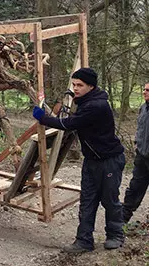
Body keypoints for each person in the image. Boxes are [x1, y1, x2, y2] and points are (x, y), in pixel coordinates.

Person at [32, 67, 126, 253]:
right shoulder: (86, 101)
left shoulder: (96, 106)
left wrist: (44, 118)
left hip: (109, 160)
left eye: (80, 85)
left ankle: (115, 235)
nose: (75, 88)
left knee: (109, 199)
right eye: (74, 84)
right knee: (88, 199)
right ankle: (84, 241)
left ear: (91, 86)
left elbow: (70, 124)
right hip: (92, 160)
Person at [122, 82, 149, 224]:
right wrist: (137, 143)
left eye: (148, 90)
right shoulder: (143, 108)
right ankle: (123, 219)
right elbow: (140, 127)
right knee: (135, 187)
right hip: (142, 156)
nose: (144, 92)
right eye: (144, 89)